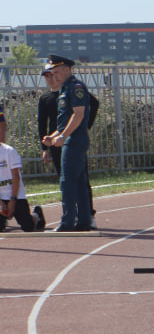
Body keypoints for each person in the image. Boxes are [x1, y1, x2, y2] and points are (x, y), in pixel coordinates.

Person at [40, 55, 94, 232]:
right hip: (70, 138)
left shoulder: (75, 87)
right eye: (52, 73)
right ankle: (84, 220)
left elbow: (78, 115)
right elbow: (63, 122)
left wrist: (62, 136)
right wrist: (53, 136)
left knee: (67, 181)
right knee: (78, 181)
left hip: (74, 140)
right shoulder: (66, 89)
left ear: (67, 70)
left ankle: (67, 222)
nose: (54, 76)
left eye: (56, 72)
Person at [0, 119, 37, 233]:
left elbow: (16, 177)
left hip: (15, 196)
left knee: (27, 227)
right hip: (1, 198)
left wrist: (12, 200)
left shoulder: (9, 151)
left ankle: (37, 215)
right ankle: (3, 220)